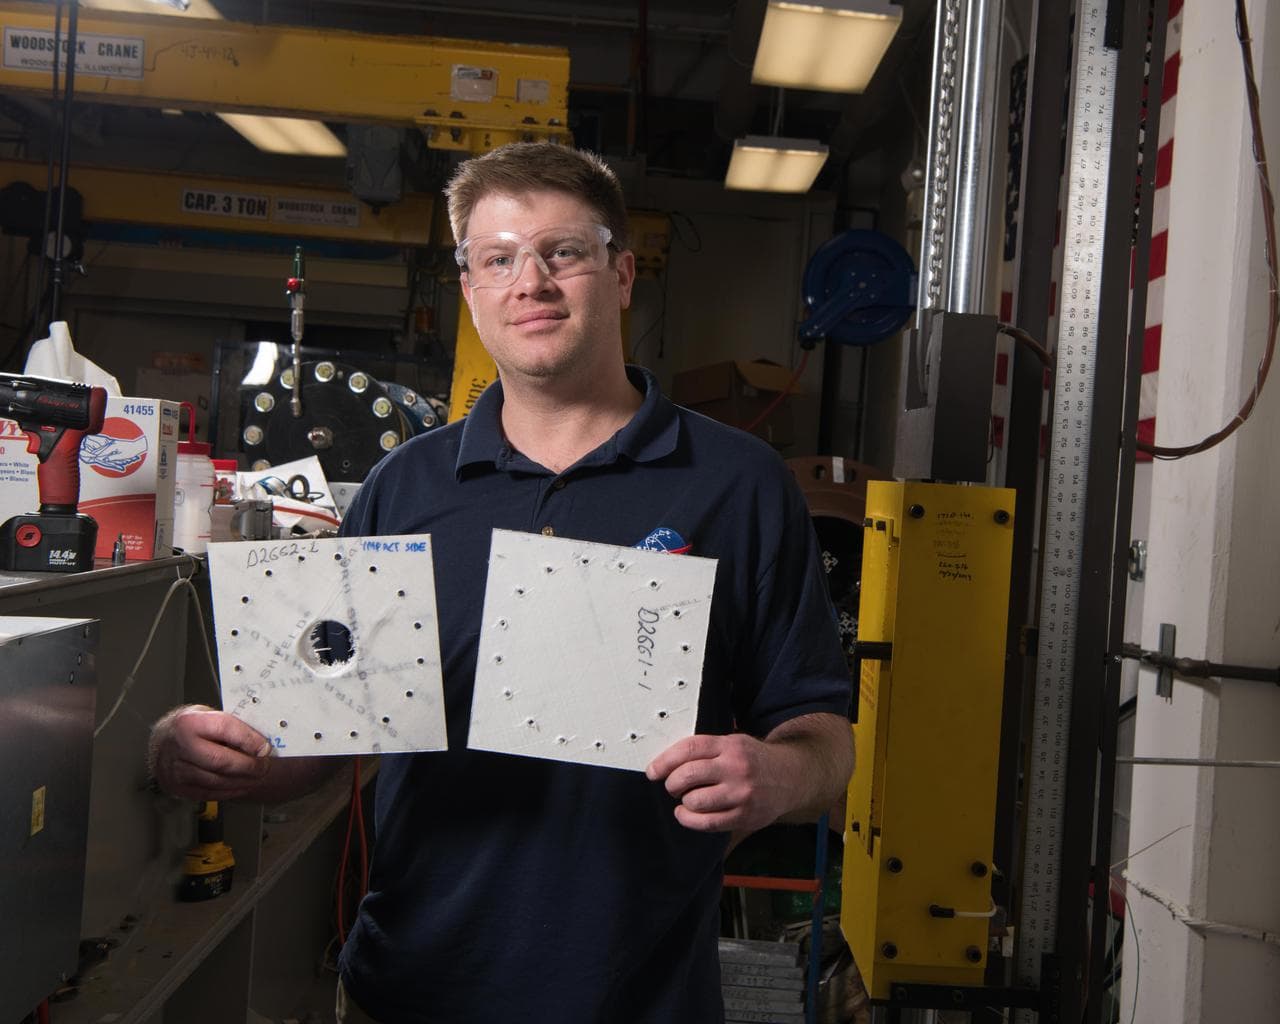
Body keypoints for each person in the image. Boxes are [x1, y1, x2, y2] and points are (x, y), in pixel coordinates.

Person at [149, 142, 854, 1023]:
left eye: (564, 251)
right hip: (409, 988)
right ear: (472, 289)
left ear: (623, 273)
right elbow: (326, 746)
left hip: (638, 997)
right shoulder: (404, 488)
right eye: (498, 259)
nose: (533, 281)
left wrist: (780, 776)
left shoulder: (739, 484)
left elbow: (826, 735)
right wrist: (218, 751)